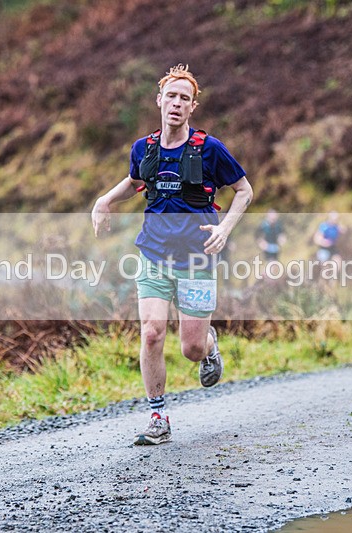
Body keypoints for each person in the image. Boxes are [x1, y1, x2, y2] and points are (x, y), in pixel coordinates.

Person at [91, 64, 253, 446]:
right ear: (159, 101)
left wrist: (224, 228)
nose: (176, 103)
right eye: (171, 96)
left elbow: (244, 191)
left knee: (191, 349)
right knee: (151, 333)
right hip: (153, 255)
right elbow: (135, 182)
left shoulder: (209, 149)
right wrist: (104, 201)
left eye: (185, 98)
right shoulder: (143, 148)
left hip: (197, 257)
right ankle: (158, 416)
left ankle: (210, 345)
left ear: (192, 106)